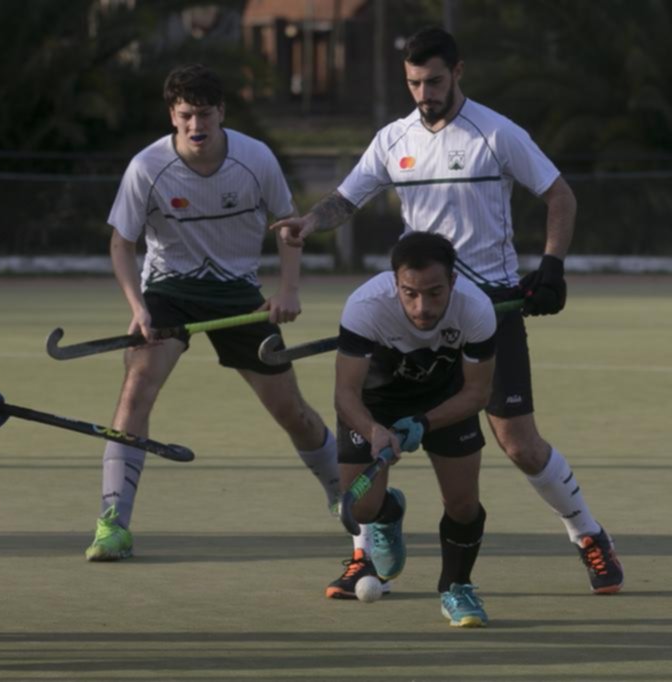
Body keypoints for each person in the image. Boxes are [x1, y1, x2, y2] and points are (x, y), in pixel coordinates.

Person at [272, 26, 622, 595]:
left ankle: (588, 534)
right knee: (369, 429)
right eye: (414, 82)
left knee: (519, 442)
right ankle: (364, 551)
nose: (424, 92)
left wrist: (552, 265)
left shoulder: (496, 133)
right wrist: (311, 223)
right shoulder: (393, 139)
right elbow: (347, 197)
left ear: (458, 72)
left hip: (488, 311)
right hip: (413, 313)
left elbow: (560, 195)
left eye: (434, 80)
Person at [84, 63, 341, 562]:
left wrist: (287, 291)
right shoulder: (147, 168)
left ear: (222, 112)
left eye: (204, 114)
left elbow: (288, 227)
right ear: (172, 115)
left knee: (291, 411)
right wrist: (138, 308)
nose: (195, 127)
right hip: (168, 290)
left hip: (238, 294)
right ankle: (112, 522)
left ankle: (342, 493)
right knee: (138, 386)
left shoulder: (255, 159)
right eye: (185, 116)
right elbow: (122, 243)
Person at [335, 232, 497, 626]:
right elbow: (345, 394)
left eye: (435, 293)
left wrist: (424, 423)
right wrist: (374, 430)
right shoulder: (364, 307)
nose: (422, 307)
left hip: (445, 399)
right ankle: (389, 511)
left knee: (462, 504)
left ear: (453, 281)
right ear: (395, 283)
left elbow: (477, 393)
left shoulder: (476, 309)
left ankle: (457, 587)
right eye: (409, 293)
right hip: (376, 403)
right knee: (360, 508)